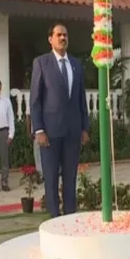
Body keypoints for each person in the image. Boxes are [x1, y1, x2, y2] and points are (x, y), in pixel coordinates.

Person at [30, 23, 89, 218]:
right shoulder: (41, 63)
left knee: (70, 178)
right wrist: (38, 129)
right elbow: (35, 100)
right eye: (59, 35)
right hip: (50, 132)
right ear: (50, 39)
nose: (63, 38)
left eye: (65, 35)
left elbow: (81, 99)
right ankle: (54, 220)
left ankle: (71, 217)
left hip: (72, 132)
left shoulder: (76, 64)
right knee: (51, 178)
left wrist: (84, 128)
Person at [26, 113, 43, 179]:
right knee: (37, 154)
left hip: (48, 131)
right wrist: (29, 131)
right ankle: (40, 174)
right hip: (36, 132)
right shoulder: (32, 103)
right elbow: (28, 117)